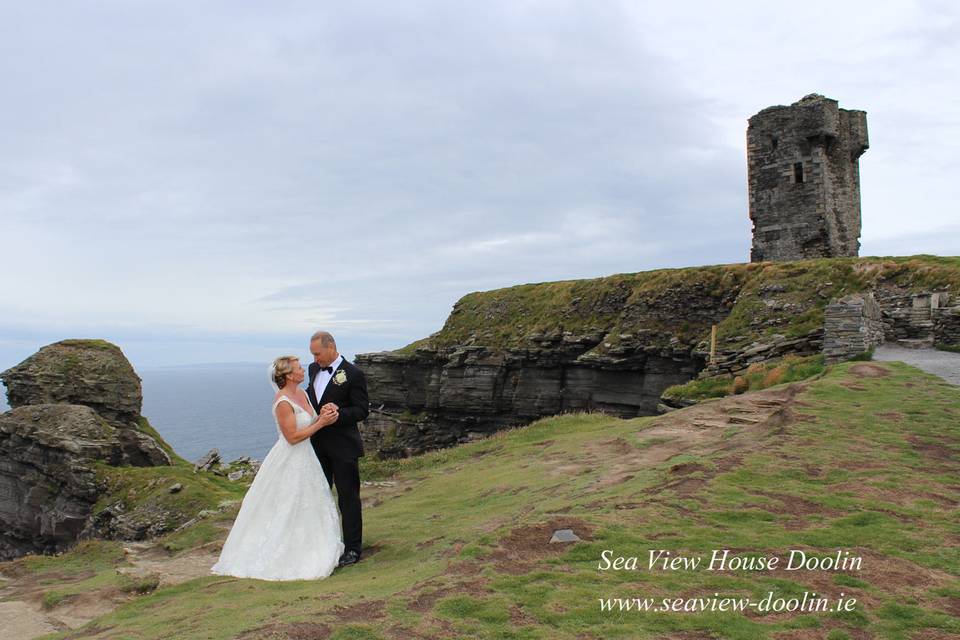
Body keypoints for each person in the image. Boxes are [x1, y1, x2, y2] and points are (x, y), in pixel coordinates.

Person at [211, 355, 344, 580]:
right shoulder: (283, 402)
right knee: (287, 503)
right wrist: (321, 424)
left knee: (310, 502)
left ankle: (311, 545)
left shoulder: (301, 394)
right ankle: (282, 555)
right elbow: (292, 437)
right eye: (299, 368)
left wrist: (325, 414)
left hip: (307, 458)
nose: (304, 370)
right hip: (290, 458)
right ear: (290, 375)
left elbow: (310, 422)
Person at [306, 331, 369, 567]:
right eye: (312, 354)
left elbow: (362, 410)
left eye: (318, 354)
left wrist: (339, 414)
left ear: (331, 346)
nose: (315, 359)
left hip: (344, 447)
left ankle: (353, 548)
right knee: (319, 497)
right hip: (317, 446)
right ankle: (323, 543)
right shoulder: (313, 370)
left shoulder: (353, 374)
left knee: (348, 498)